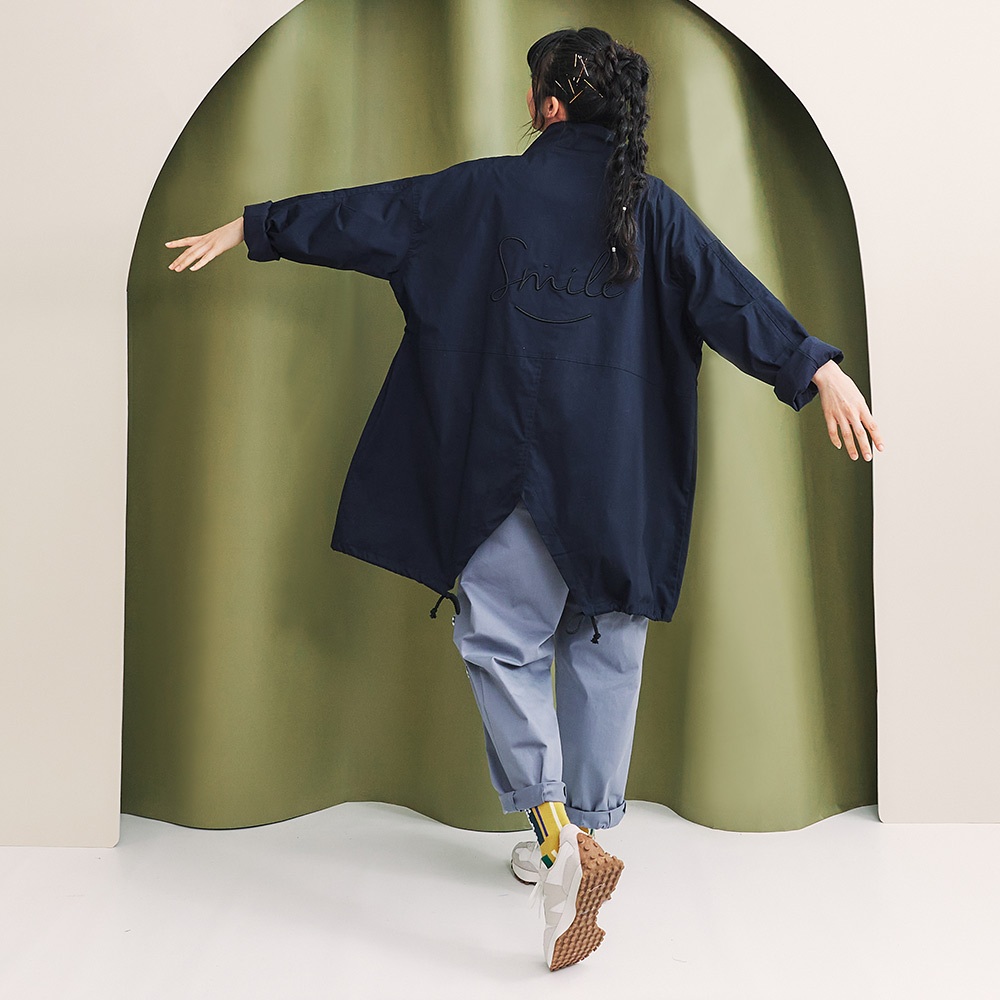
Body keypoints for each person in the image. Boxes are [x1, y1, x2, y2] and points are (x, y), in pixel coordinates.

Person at [165, 26, 883, 972]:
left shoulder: (482, 193)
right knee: (604, 651)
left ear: (548, 105)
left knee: (504, 643)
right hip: (618, 486)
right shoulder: (655, 211)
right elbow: (735, 300)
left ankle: (556, 842)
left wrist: (253, 227)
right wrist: (820, 370)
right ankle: (582, 835)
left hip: (510, 472)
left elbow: (367, 217)